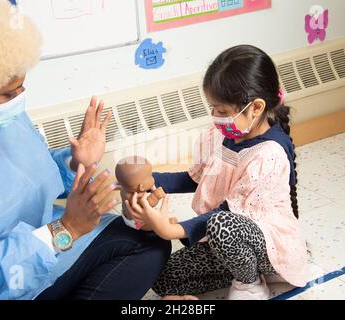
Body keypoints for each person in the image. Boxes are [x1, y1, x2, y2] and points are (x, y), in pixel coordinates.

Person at [0, 0, 170, 300]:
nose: (20, 99)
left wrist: (75, 163)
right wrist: (64, 231)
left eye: (21, 87)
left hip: (50, 251)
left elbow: (32, 175)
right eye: (9, 93)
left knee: (150, 239)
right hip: (5, 284)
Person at [126, 45, 309, 300]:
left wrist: (174, 230)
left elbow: (227, 213)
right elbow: (197, 177)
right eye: (212, 108)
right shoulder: (222, 135)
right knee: (162, 278)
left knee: (221, 224)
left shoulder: (268, 154)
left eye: (222, 111)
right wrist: (149, 179)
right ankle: (237, 264)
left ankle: (251, 282)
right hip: (223, 240)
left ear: (256, 108)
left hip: (265, 243)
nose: (215, 116)